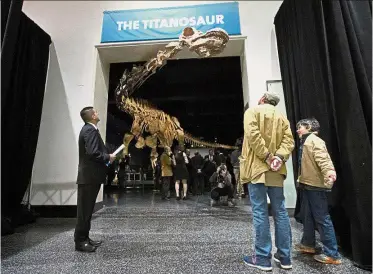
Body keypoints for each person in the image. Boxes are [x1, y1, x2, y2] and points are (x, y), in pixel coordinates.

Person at [240, 92, 295, 271]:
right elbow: (289, 142)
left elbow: (253, 136)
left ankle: (263, 258)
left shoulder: (252, 112)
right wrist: (278, 158)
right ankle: (285, 257)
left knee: (260, 212)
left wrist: (267, 157)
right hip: (276, 170)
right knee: (280, 211)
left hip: (257, 169)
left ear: (262, 99)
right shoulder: (282, 118)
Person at [295, 118, 341, 264]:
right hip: (307, 184)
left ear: (308, 127)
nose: (297, 130)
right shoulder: (306, 140)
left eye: (300, 127)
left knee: (322, 218)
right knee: (307, 216)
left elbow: (323, 158)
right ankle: (308, 245)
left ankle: (332, 254)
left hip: (315, 185)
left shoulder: (315, 141)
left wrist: (329, 171)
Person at [74, 107, 116, 252]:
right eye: (96, 112)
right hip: (89, 177)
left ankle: (85, 238)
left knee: (87, 210)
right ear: (92, 116)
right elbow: (93, 153)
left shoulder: (91, 130)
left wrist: (106, 159)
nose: (97, 113)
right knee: (85, 211)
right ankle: (80, 242)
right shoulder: (90, 130)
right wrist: (107, 157)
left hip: (91, 176)